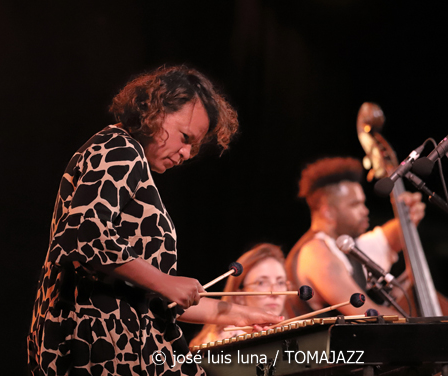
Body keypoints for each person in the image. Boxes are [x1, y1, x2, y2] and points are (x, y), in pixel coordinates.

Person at [28, 65, 282, 376]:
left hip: (117, 339)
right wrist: (164, 282)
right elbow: (84, 234)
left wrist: (242, 315)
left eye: (194, 146)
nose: (187, 153)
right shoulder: (119, 149)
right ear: (155, 112)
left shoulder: (126, 156)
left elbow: (151, 298)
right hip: (98, 343)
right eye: (185, 138)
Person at [285, 157, 425, 317]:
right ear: (328, 213)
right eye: (355, 204)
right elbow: (368, 315)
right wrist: (422, 325)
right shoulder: (316, 253)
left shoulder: (345, 246)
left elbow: (393, 236)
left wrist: (409, 212)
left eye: (363, 203)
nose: (365, 211)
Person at [189, 243, 289, 347]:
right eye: (261, 283)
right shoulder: (223, 343)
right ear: (238, 296)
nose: (275, 292)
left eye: (280, 282)